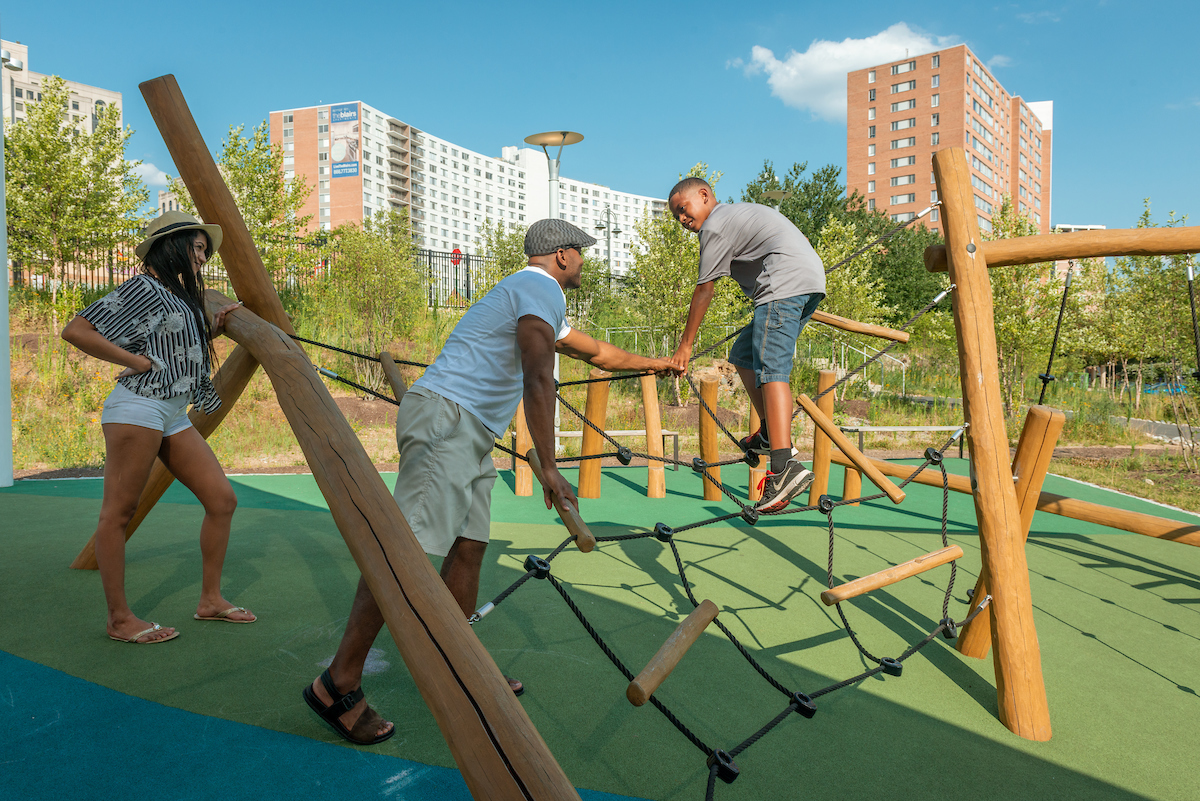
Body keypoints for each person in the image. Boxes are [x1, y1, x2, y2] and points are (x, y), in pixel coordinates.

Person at [303, 218, 679, 745]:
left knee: (470, 549)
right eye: (583, 254)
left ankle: (460, 666)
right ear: (565, 256)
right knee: (404, 552)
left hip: (469, 431)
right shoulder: (537, 290)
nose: (585, 263)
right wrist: (549, 466)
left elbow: (597, 353)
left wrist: (659, 364)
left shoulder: (535, 296)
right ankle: (336, 682)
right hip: (449, 423)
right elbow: (538, 373)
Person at [61, 211, 253, 644]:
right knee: (118, 513)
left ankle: (210, 600)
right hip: (137, 409)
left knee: (222, 500)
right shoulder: (141, 288)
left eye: (206, 249)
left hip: (171, 412)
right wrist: (136, 362)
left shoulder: (177, 295)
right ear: (172, 246)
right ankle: (119, 619)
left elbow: (171, 343)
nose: (204, 257)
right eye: (198, 247)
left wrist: (213, 330)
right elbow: (75, 330)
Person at [667, 177, 826, 512]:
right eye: (675, 217)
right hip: (807, 281)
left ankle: (784, 467)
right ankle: (769, 432)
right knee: (742, 354)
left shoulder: (715, 226)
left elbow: (704, 290)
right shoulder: (739, 215)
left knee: (772, 369)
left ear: (704, 195)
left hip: (783, 286)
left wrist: (685, 346)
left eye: (683, 209)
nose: (681, 219)